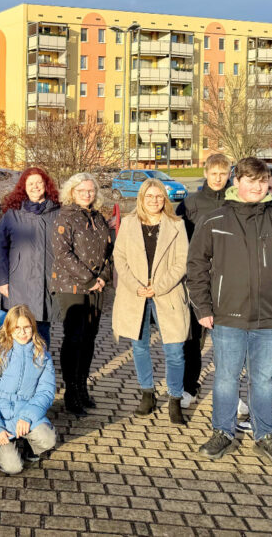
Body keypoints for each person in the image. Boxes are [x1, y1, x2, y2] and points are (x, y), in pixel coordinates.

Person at [189, 157, 272, 466]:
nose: (256, 186)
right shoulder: (215, 221)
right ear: (237, 181)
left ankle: (265, 434)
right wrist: (202, 306)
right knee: (226, 379)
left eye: (261, 182)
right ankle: (223, 432)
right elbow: (197, 267)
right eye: (250, 180)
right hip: (227, 315)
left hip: (270, 319)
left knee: (263, 380)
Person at [111, 178, 189, 424]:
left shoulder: (177, 225)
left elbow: (181, 262)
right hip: (135, 295)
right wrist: (136, 286)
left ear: (164, 199)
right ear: (141, 199)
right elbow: (119, 257)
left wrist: (159, 286)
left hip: (167, 293)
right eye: (149, 197)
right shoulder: (129, 224)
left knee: (174, 349)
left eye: (159, 197)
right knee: (139, 346)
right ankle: (148, 393)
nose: (155, 201)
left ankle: (175, 398)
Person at [50, 172, 113, 416]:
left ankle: (83, 386)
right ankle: (71, 391)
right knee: (74, 338)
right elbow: (63, 254)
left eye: (91, 191)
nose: (87, 195)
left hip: (97, 286)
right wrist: (89, 279)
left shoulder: (99, 218)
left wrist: (103, 277)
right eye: (82, 191)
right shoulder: (64, 218)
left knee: (89, 338)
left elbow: (110, 251)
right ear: (72, 193)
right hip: (72, 287)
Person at [175, 152, 231, 407]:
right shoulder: (191, 204)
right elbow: (177, 240)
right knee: (193, 338)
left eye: (223, 173)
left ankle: (230, 391)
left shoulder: (237, 201)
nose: (218, 178)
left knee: (229, 339)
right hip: (198, 279)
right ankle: (190, 386)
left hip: (230, 278)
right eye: (214, 173)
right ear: (206, 174)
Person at [0, 305, 57, 475]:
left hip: (25, 413)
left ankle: (29, 445)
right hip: (1, 417)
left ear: (33, 328)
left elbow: (46, 392)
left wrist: (27, 416)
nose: (22, 332)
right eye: (17, 328)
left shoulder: (42, 355)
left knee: (48, 438)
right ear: (9, 329)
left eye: (26, 327)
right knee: (14, 467)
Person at [0, 167, 60, 348]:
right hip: (18, 283)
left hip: (47, 282)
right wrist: (2, 280)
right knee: (17, 331)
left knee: (42, 332)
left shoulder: (58, 213)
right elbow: (0, 248)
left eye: (39, 182)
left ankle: (41, 369)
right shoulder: (12, 214)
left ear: (46, 185)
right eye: (30, 183)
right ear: (23, 187)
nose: (35, 187)